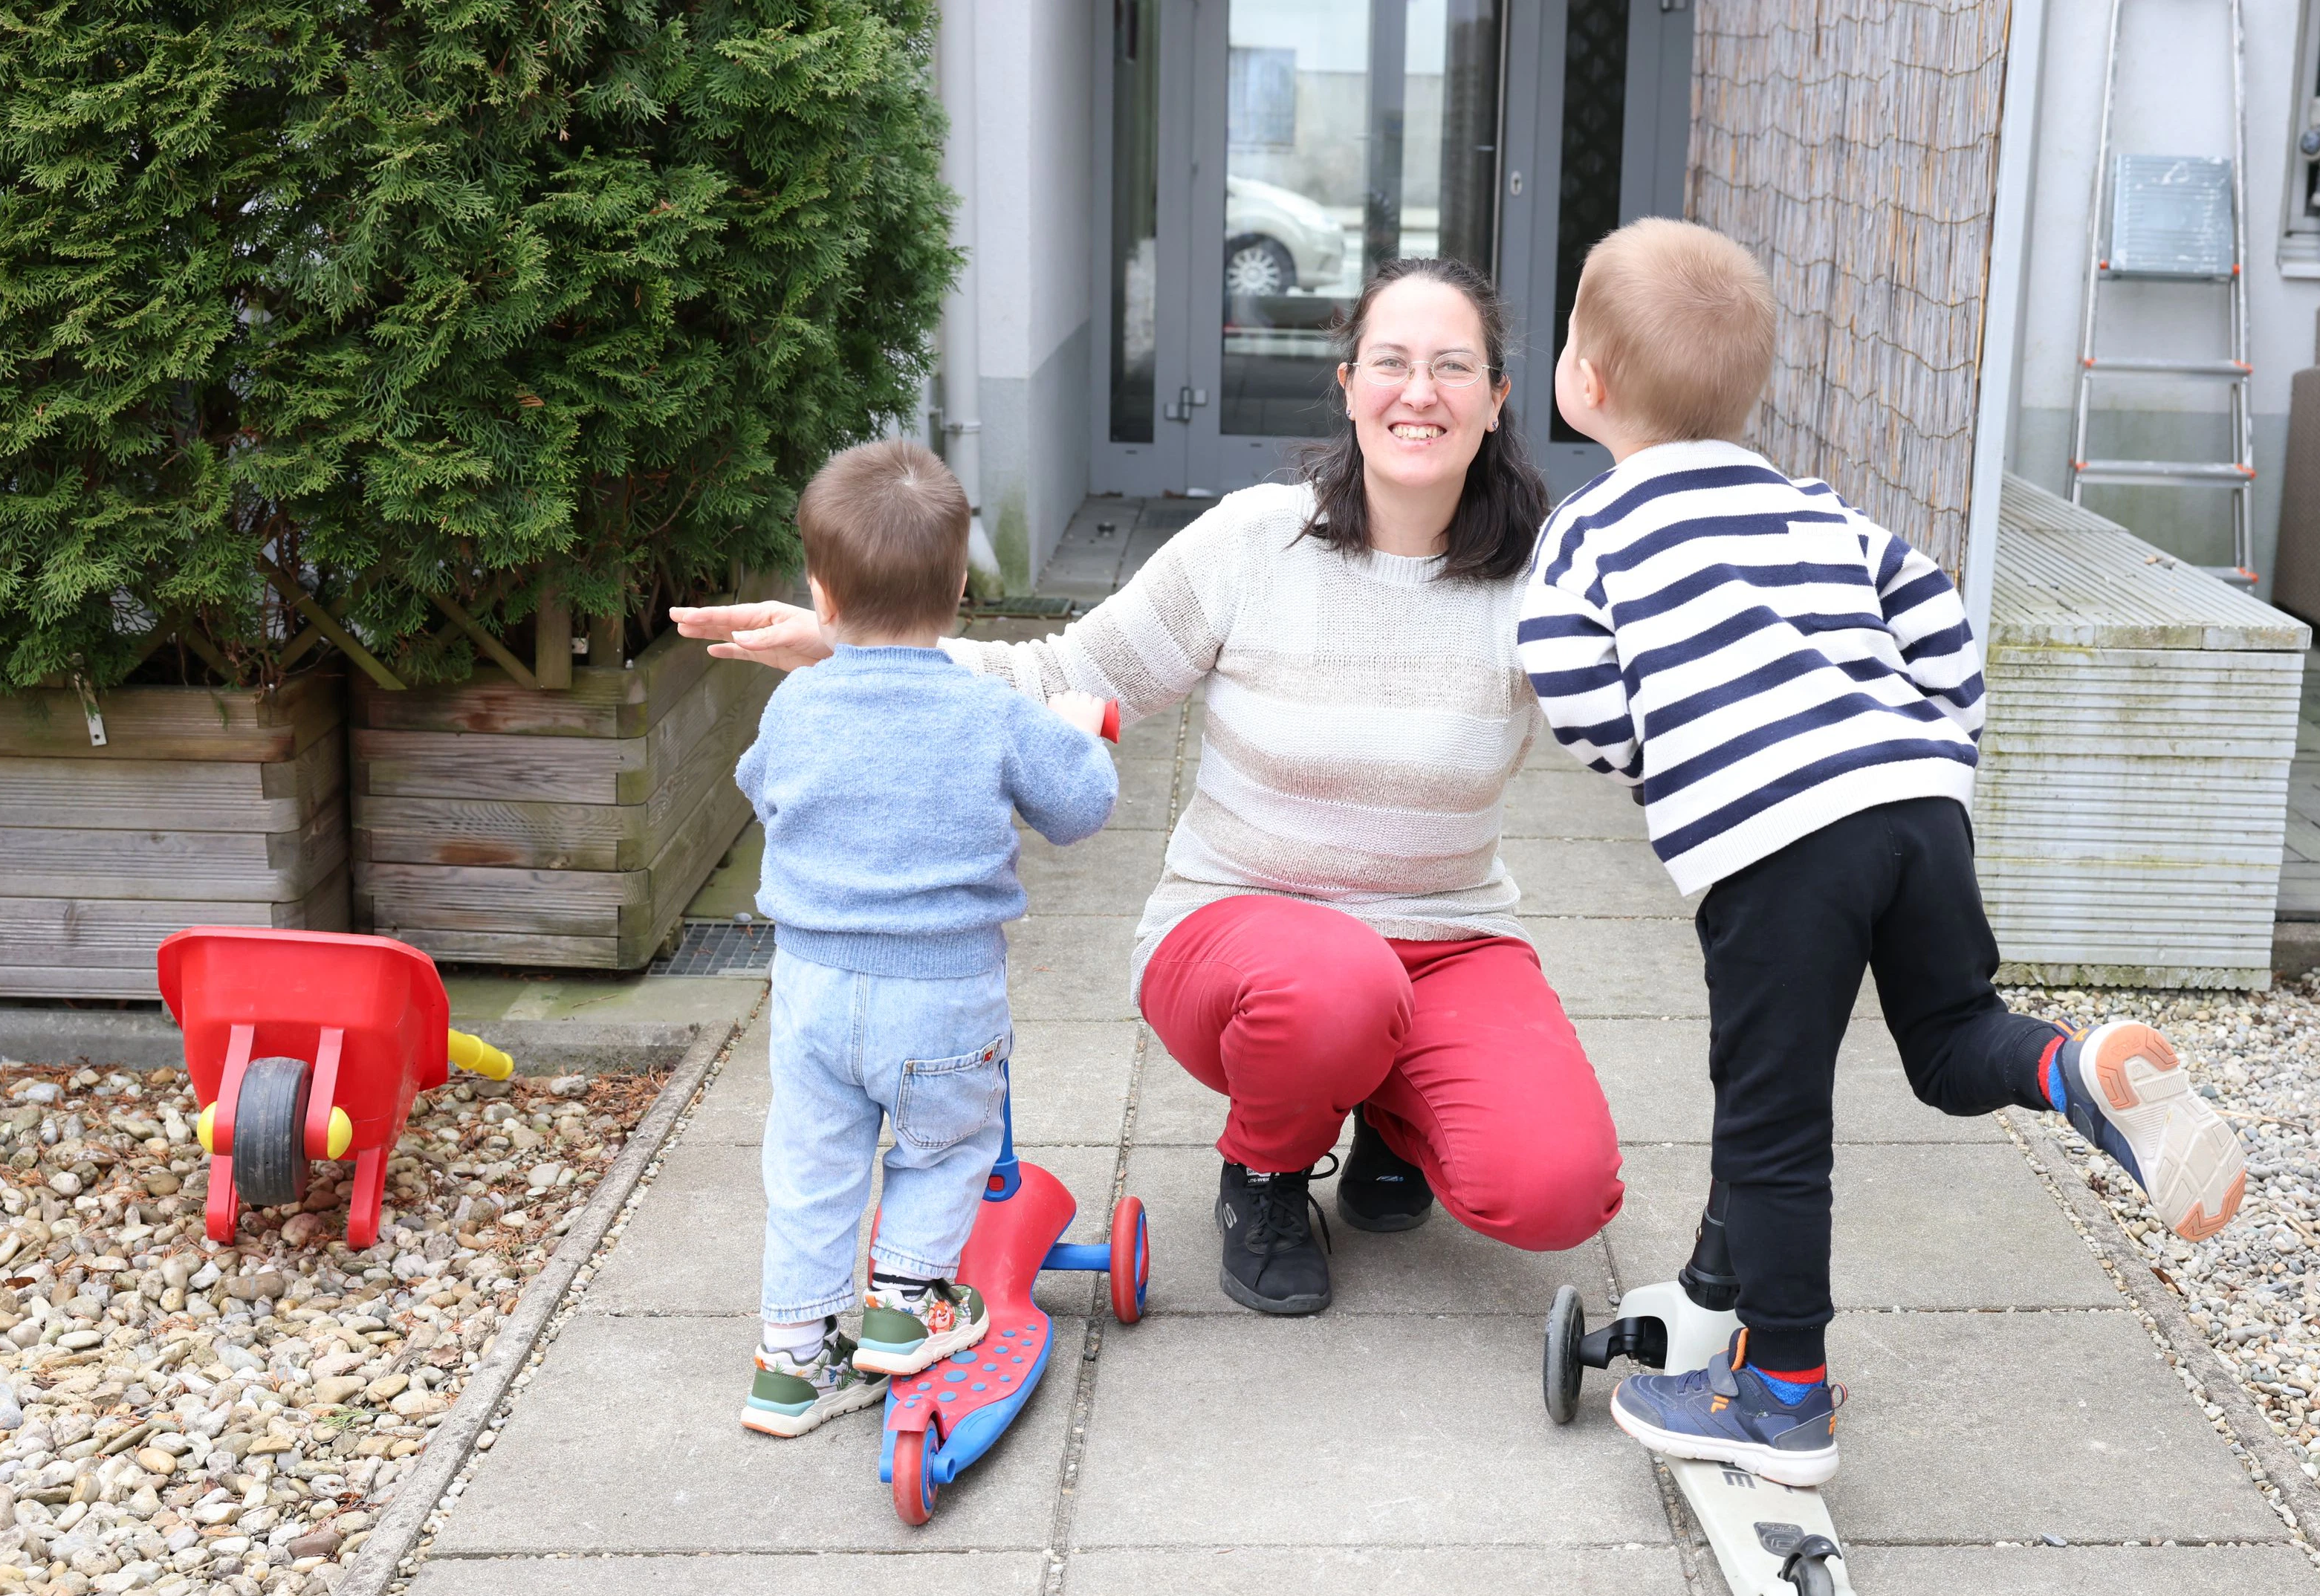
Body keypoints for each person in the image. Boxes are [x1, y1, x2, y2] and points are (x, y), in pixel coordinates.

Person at [676, 259, 1623, 1320]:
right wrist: (858, 648)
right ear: (1350, 384)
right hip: (1244, 935)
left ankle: (1391, 1114)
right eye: (1390, 363)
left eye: (1452, 367)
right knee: (1337, 986)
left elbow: (1643, 717)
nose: (1419, 392)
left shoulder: (1542, 577)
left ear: (1496, 398)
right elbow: (1063, 672)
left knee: (1558, 1189)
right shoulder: (1255, 541)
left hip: (1446, 936)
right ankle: (1266, 1170)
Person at [1517, 220, 2249, 1488]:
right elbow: (1942, 627)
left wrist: (1662, 752)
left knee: (1774, 1122)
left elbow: (1570, 686)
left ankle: (1783, 1396)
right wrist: (1935, 752)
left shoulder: (1593, 530)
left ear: (1583, 381)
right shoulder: (1817, 508)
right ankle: (2073, 1069)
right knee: (1952, 1037)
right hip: (1917, 804)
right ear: (1750, 390)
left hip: (1775, 838)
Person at [733, 440, 1119, 1438]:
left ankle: (791, 1365)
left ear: (821, 596)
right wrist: (1078, 731)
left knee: (811, 1167)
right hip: (942, 992)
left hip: (813, 988)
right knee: (948, 1144)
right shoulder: (992, 710)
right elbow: (1079, 807)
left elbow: (759, 789)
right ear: (958, 591)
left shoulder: (797, 699)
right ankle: (907, 1303)